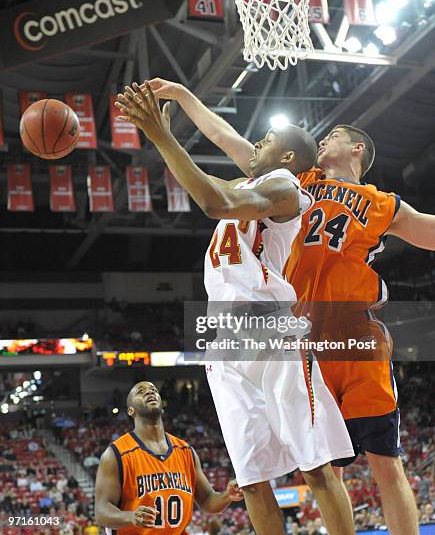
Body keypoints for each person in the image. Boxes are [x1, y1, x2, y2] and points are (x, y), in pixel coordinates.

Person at [146, 79, 433, 535]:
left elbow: (429, 231)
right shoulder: (295, 182)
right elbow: (228, 140)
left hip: (353, 335)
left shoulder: (382, 205)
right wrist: (184, 98)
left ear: (357, 148)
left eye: (335, 135)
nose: (325, 140)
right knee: (322, 465)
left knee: (384, 460)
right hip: (298, 331)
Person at [115, 83, 356, 535]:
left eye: (267, 141)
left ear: (287, 159)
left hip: (268, 328)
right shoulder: (250, 182)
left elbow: (212, 202)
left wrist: (160, 134)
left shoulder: (286, 190)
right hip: (222, 341)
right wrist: (182, 96)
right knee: (253, 480)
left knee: (316, 467)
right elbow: (220, 138)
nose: (256, 143)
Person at [94, 381, 243, 533]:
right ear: (131, 410)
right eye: (141, 391)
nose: (149, 392)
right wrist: (130, 517)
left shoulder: (185, 451)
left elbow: (207, 501)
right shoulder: (116, 454)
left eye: (153, 390)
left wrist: (227, 496)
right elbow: (101, 511)